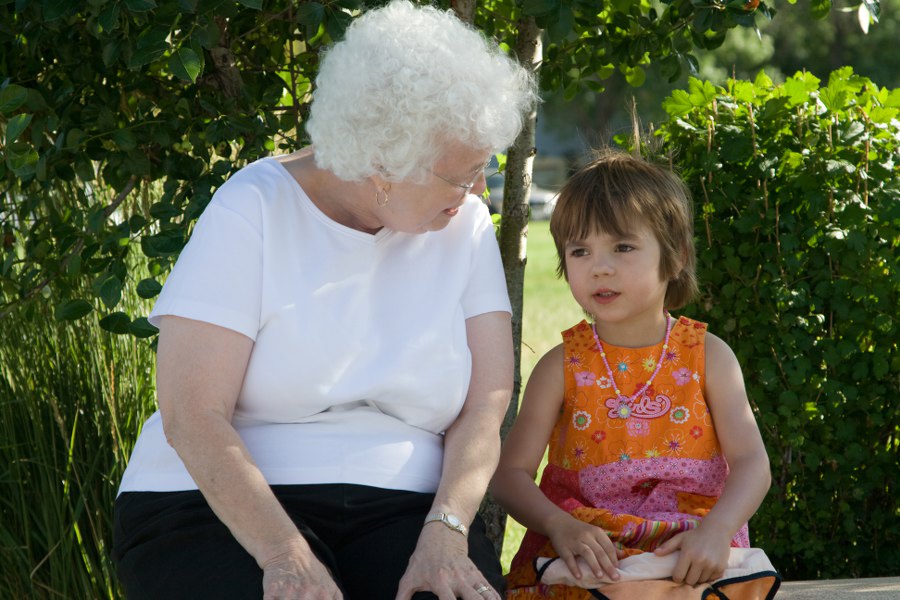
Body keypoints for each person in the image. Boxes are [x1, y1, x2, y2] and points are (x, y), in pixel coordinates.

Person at [111, 2, 537, 598]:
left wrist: (446, 530)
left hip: (405, 511)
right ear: (383, 164)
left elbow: (485, 406)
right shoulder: (252, 207)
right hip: (215, 508)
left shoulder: (462, 225)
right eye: (462, 174)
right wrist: (285, 552)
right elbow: (192, 414)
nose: (477, 191)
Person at [490, 150, 780, 599]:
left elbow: (752, 463)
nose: (599, 266)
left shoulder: (709, 357)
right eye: (580, 250)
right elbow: (510, 473)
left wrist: (718, 529)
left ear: (676, 256)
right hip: (589, 554)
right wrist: (559, 525)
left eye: (622, 247)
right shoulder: (561, 367)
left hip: (688, 550)